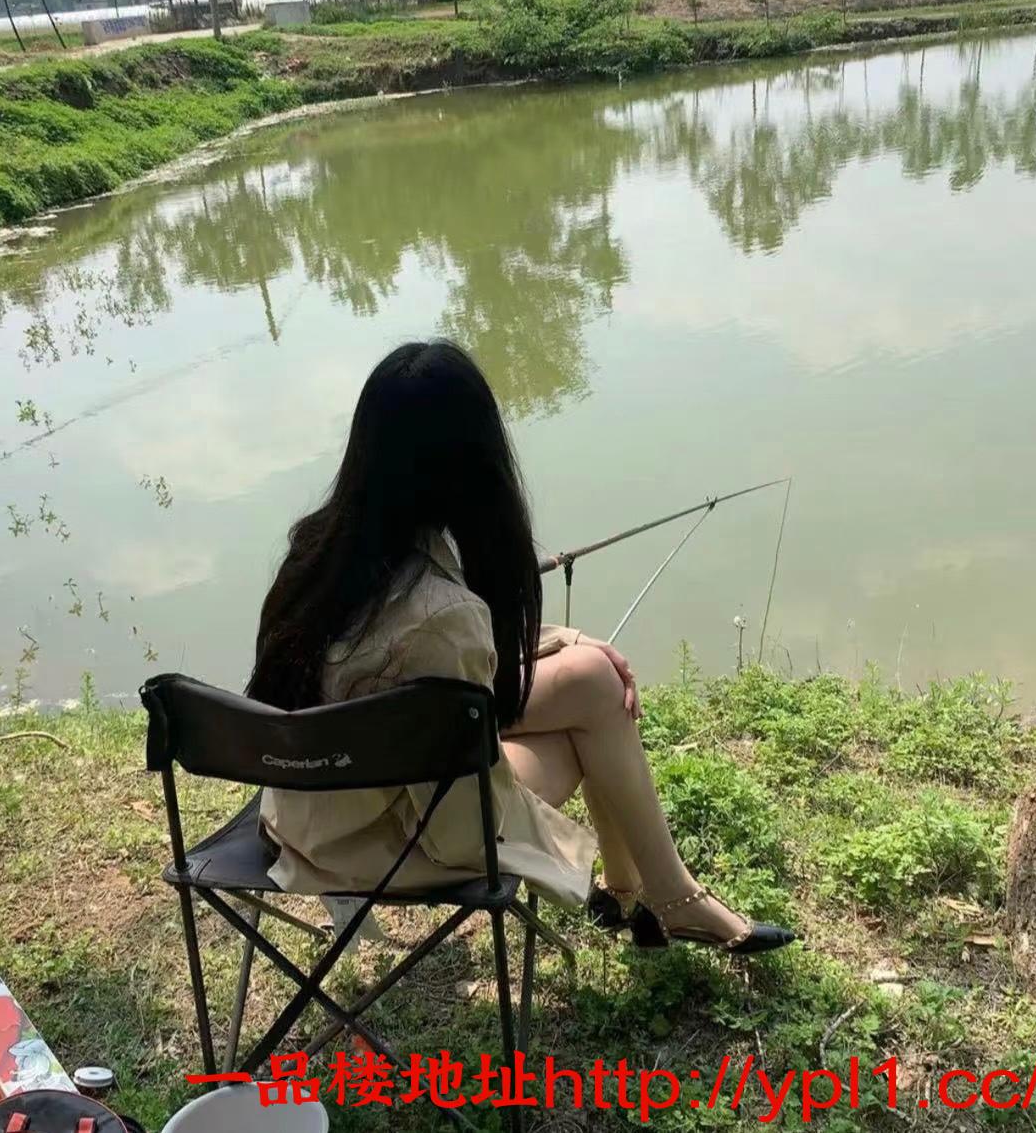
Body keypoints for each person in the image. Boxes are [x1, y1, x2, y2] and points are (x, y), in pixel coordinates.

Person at [249, 340, 794, 956]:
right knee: (590, 720)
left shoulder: (320, 550)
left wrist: (570, 642)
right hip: (385, 838)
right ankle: (662, 899)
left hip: (309, 803)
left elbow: (417, 667)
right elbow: (461, 800)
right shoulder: (445, 616)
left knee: (591, 680)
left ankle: (635, 895)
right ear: (473, 462)